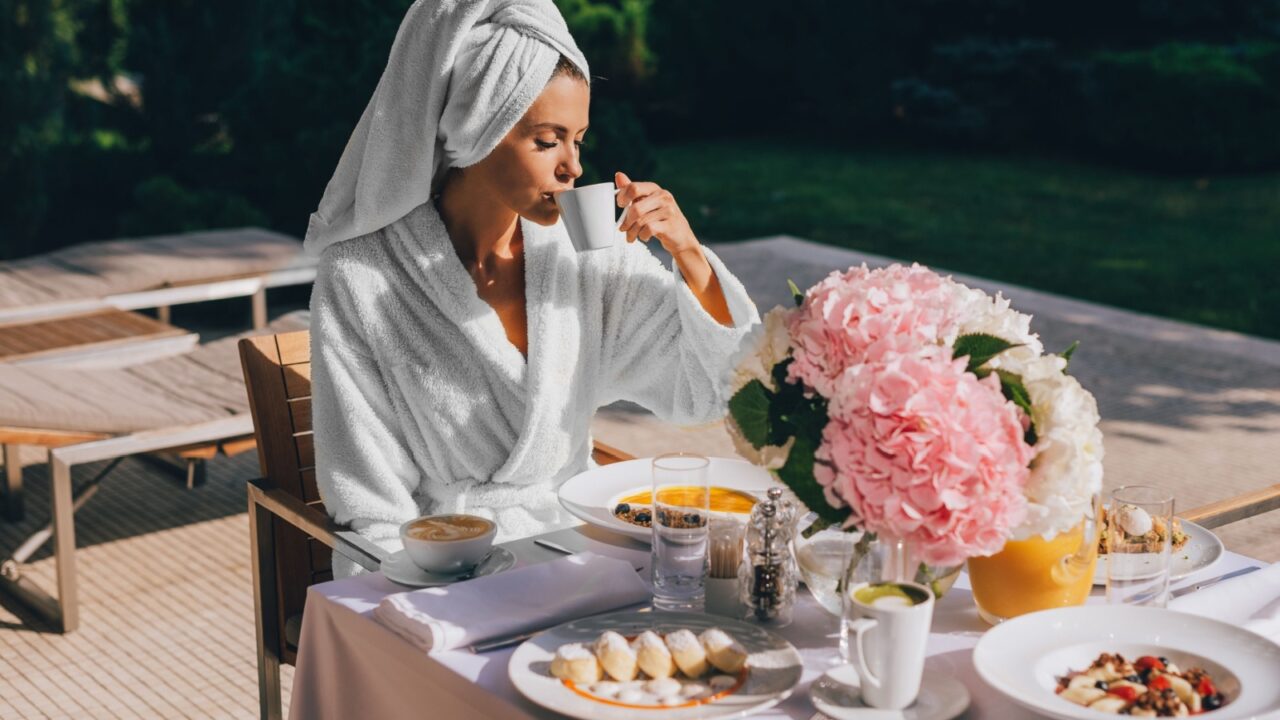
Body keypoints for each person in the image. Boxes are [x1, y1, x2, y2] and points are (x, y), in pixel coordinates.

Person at [307, 0, 759, 577]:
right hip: (443, 569)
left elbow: (711, 392)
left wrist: (688, 255)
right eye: (548, 141)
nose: (572, 167)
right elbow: (369, 505)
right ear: (476, 132)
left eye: (579, 141)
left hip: (584, 549)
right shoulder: (362, 277)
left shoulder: (590, 259)